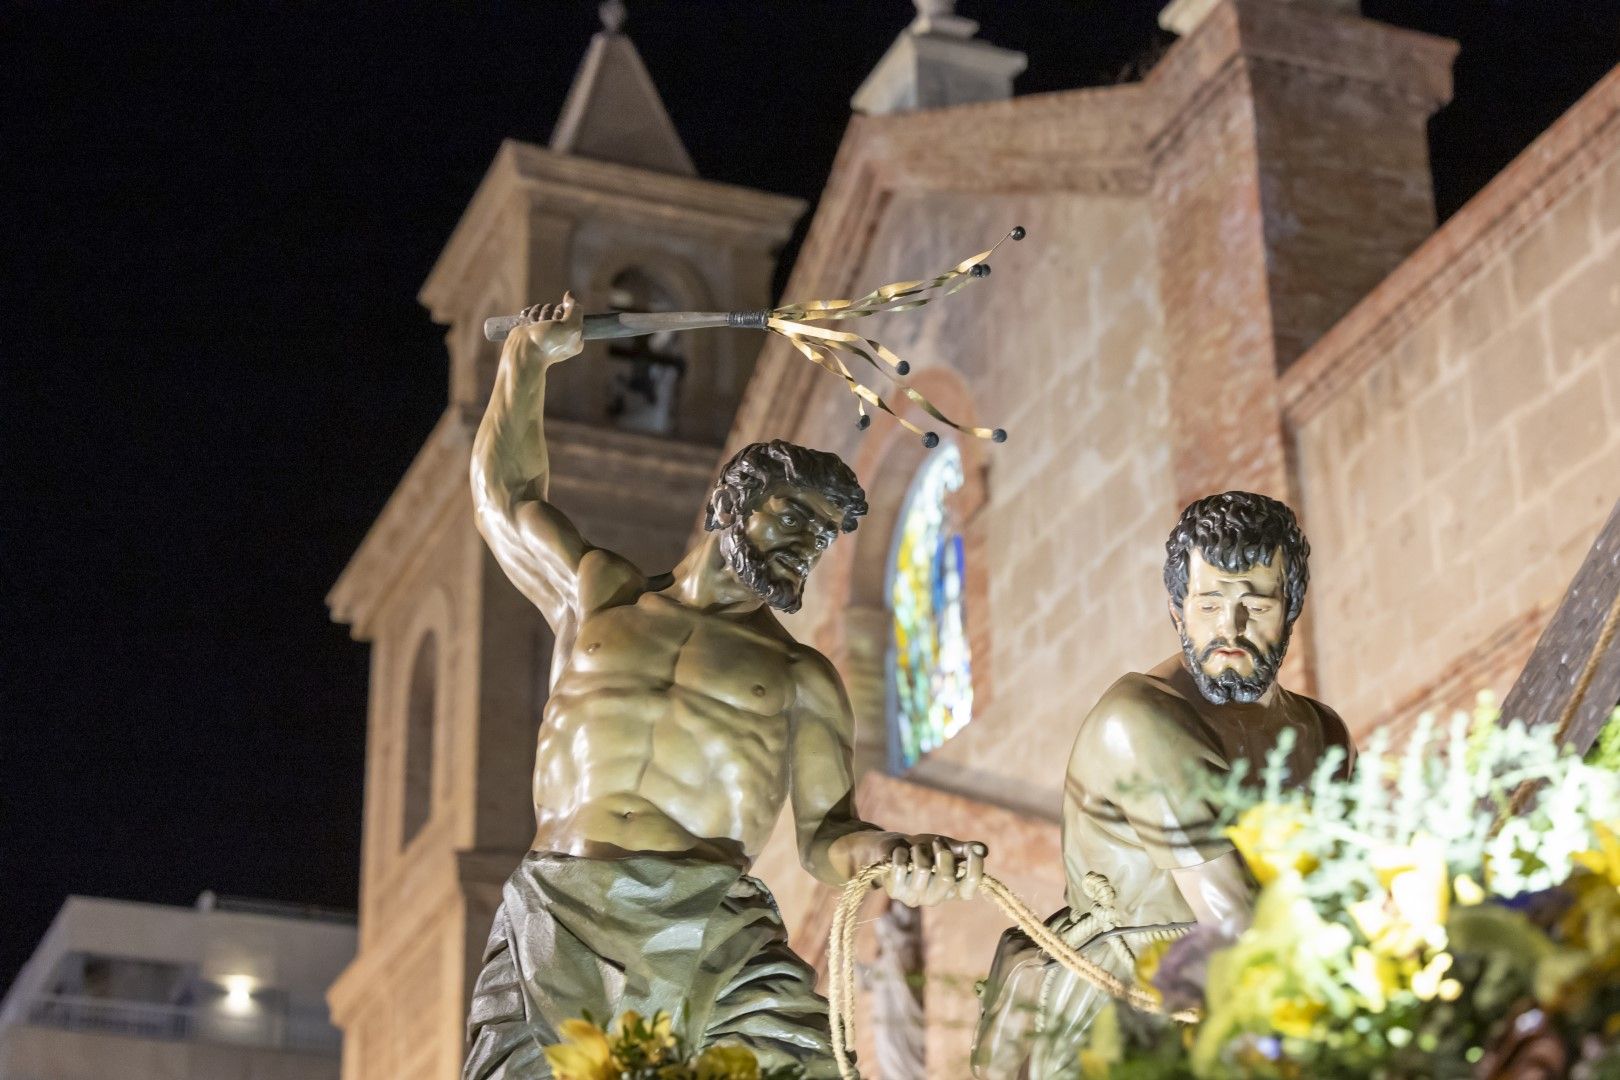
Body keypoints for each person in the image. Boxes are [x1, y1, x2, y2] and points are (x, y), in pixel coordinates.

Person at [464, 293, 987, 1079]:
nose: (806, 545)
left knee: (798, 1060)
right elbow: (507, 501)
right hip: (560, 910)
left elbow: (828, 836)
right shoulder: (599, 596)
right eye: (793, 519)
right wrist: (526, 362)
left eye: (819, 535)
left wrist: (896, 852)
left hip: (712, 919)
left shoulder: (797, 677)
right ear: (729, 508)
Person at [972, 491, 1353, 1080]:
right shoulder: (1141, 719)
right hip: (1137, 1014)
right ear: (1176, 610)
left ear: (1292, 605)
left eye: (1257, 604)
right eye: (1209, 604)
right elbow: (1232, 919)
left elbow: (1335, 889)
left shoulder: (1321, 731)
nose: (1231, 627)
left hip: (1264, 989)